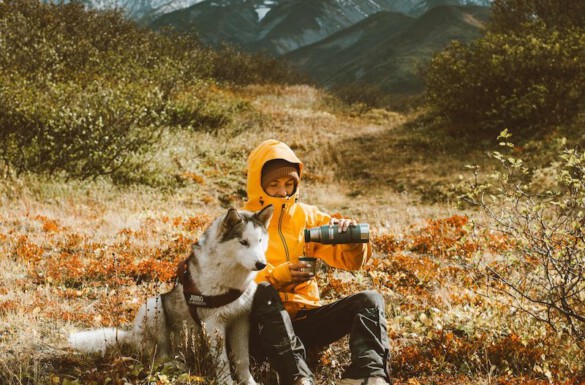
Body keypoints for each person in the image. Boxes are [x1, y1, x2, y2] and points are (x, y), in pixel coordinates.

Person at [242, 140, 390, 385]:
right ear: (259, 185)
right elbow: (233, 281)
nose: (283, 192)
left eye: (289, 184)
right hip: (260, 328)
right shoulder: (241, 223)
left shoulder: (308, 216)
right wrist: (279, 276)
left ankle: (367, 376)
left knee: (370, 300)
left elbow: (352, 263)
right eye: (274, 184)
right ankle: (299, 378)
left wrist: (353, 242)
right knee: (265, 291)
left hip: (305, 320)